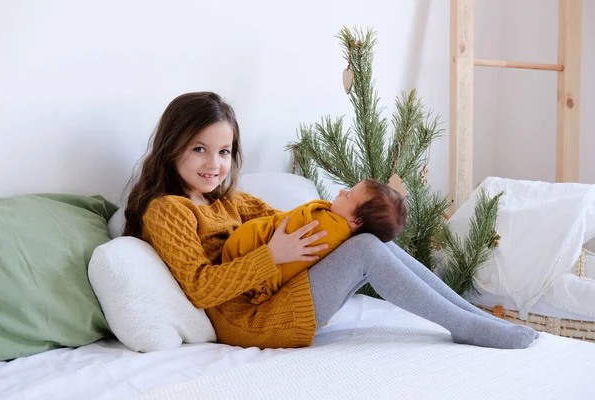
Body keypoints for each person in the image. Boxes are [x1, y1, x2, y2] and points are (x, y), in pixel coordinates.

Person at [124, 91, 537, 350]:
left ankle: (470, 316)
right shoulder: (168, 209)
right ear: (172, 146)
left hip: (277, 296)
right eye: (200, 149)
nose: (214, 164)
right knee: (364, 249)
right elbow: (199, 288)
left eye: (224, 152)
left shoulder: (232, 201)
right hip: (250, 320)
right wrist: (272, 255)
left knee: (370, 241)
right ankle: (463, 323)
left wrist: (334, 219)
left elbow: (287, 222)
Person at [221, 179, 408, 304]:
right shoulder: (341, 233)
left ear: (356, 222)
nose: (342, 191)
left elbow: (294, 234)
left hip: (243, 255)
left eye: (348, 196)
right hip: (247, 258)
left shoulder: (326, 228)